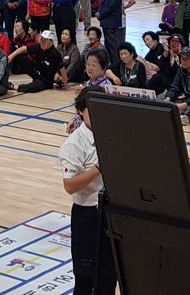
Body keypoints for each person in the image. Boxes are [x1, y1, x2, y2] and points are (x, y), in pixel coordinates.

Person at [60, 89, 116, 295]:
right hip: (88, 217)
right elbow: (70, 185)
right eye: (93, 109)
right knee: (85, 280)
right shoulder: (74, 143)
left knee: (109, 278)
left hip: (112, 215)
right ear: (81, 111)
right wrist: (99, 167)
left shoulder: (112, 135)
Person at [13, 29, 65, 94]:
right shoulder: (39, 47)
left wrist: (64, 83)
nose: (42, 42)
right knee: (20, 57)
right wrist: (10, 57)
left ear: (51, 42)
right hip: (36, 72)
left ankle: (12, 86)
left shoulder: (55, 54)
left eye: (44, 40)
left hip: (45, 80)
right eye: (41, 39)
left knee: (33, 87)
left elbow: (62, 69)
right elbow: (23, 48)